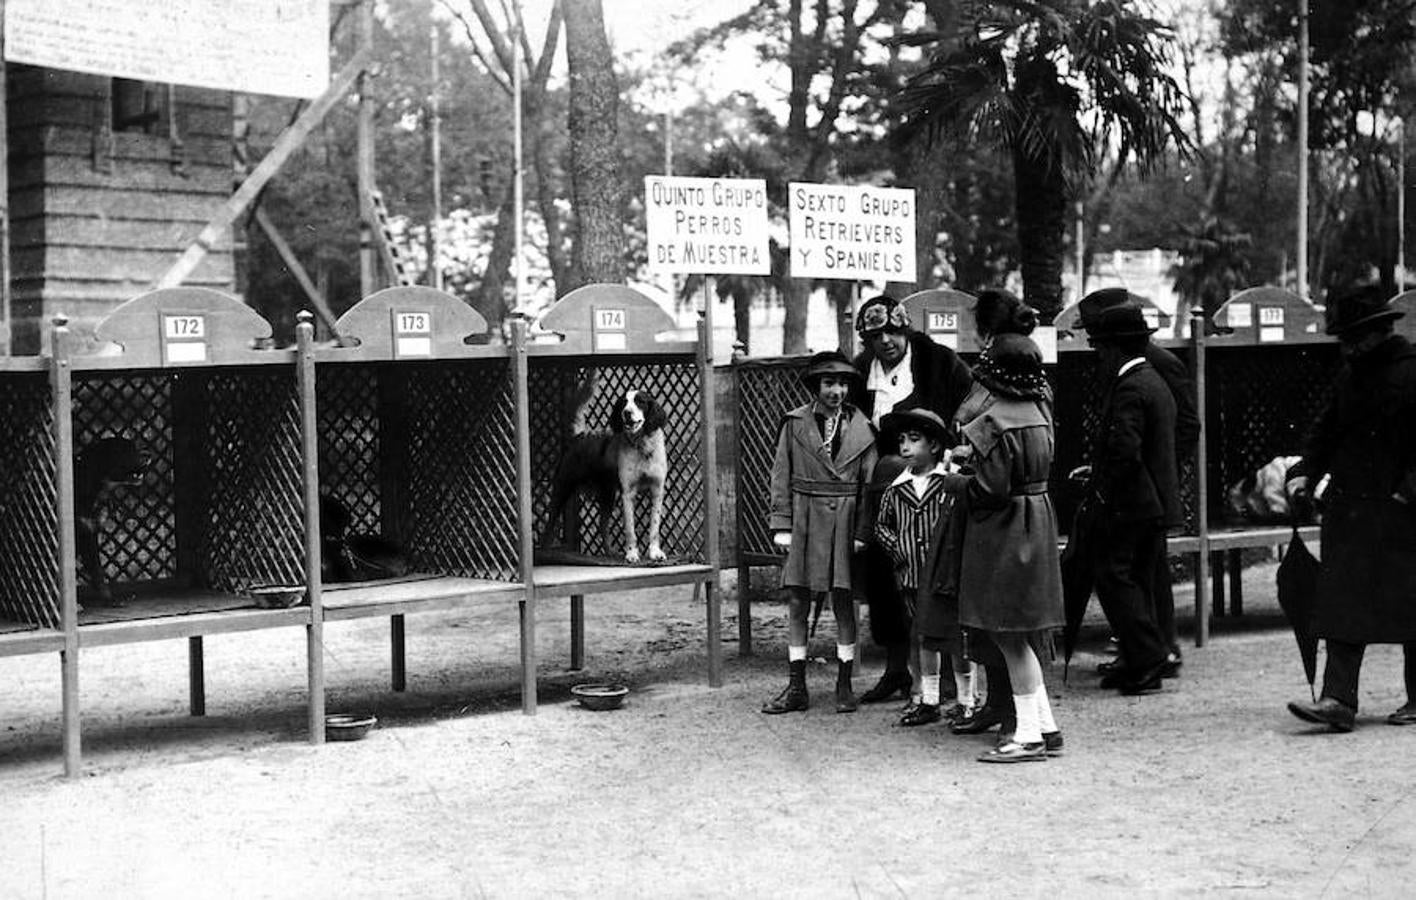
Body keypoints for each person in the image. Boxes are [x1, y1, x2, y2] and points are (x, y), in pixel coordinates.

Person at [1285, 286, 1416, 732]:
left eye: (1354, 337)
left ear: (1380, 332)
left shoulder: (1412, 372)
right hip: (1353, 510)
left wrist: (1409, 492)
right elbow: (1325, 431)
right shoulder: (1351, 375)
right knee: (1342, 603)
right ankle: (1338, 700)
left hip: (1403, 512)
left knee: (1411, 606)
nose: (1347, 346)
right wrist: (1304, 469)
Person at [942, 300, 1065, 762]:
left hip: (1005, 530)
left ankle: (1028, 736)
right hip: (1038, 517)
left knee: (1009, 635)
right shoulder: (1040, 412)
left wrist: (954, 479)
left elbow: (988, 491)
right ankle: (1046, 727)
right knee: (1024, 630)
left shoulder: (993, 424)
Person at [850, 296, 974, 704]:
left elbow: (972, 404)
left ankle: (948, 677)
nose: (885, 341)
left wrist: (956, 449)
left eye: (892, 332)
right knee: (887, 573)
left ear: (905, 329)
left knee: (934, 572)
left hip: (934, 483)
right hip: (882, 488)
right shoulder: (859, 373)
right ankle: (896, 668)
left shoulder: (938, 361)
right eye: (875, 335)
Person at [1077, 288, 1197, 675]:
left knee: (1141, 572)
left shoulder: (1153, 365)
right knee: (1140, 571)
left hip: (1143, 491)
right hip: (1143, 488)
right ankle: (1142, 653)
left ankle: (1158, 651)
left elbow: (1186, 426)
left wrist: (1155, 474)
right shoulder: (1137, 364)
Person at [762, 350, 878, 715]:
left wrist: (863, 531)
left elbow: (869, 487)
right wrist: (782, 525)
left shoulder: (864, 429)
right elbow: (780, 475)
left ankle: (844, 684)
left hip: (845, 521)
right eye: (829, 383)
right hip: (805, 518)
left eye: (843, 383)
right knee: (798, 600)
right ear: (816, 386)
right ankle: (797, 685)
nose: (837, 390)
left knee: (844, 601)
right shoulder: (794, 423)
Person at [872, 408, 969, 726]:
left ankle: (967, 700)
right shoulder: (895, 490)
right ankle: (927, 698)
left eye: (914, 440)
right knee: (922, 636)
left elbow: (962, 525)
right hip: (912, 577)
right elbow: (882, 526)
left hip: (946, 577)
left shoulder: (950, 485)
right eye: (902, 440)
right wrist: (897, 548)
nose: (905, 447)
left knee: (957, 639)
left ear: (935, 447)